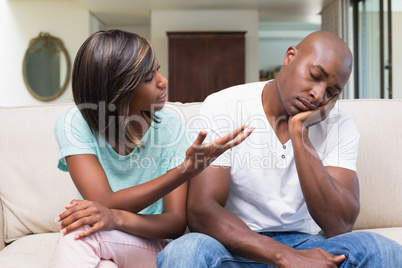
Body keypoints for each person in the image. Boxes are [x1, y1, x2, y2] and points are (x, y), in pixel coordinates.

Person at [157, 31, 402, 267]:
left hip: (308, 244)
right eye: (315, 76)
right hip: (236, 245)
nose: (318, 95)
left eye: (332, 92)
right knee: (185, 251)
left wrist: (299, 132)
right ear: (289, 57)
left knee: (382, 249)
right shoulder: (224, 106)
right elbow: (202, 210)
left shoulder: (340, 124)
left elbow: (339, 225)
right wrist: (284, 256)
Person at [51, 29, 253, 268]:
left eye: (157, 69)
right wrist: (183, 172)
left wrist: (116, 218)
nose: (162, 81)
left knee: (80, 234)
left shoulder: (171, 127)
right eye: (148, 78)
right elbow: (102, 200)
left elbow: (175, 223)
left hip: (152, 245)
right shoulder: (75, 123)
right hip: (107, 239)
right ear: (116, 90)